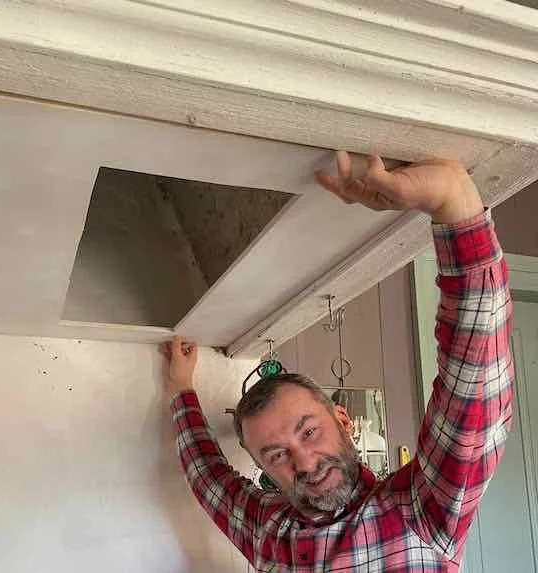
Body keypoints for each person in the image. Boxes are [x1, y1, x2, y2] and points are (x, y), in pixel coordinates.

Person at [161, 151, 513, 572]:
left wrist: (453, 203)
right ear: (262, 468)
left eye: (309, 431)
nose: (306, 464)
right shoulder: (265, 530)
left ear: (342, 419)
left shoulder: (418, 513)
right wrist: (181, 389)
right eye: (276, 455)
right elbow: (207, 476)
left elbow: (472, 394)